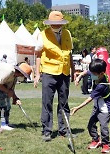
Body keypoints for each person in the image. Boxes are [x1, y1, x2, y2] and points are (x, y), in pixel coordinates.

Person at [34, 11, 75, 142]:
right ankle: (47, 131)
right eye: (54, 24)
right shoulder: (42, 35)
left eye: (58, 24)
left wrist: (73, 71)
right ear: (50, 23)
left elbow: (69, 54)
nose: (56, 26)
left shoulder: (67, 33)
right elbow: (38, 55)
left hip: (64, 73)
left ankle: (64, 130)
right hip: (49, 72)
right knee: (47, 103)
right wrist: (37, 74)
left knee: (64, 103)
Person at [71, 59, 110, 153]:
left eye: (94, 74)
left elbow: (89, 99)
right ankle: (96, 140)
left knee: (104, 127)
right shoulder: (97, 73)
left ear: (102, 73)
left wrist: (77, 108)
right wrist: (79, 77)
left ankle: (106, 144)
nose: (92, 75)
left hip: (105, 109)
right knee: (91, 125)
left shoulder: (102, 85)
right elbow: (87, 72)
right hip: (97, 106)